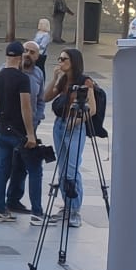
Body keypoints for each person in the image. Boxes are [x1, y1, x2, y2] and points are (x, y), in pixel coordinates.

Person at [41, 49, 96, 230]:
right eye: (60, 58)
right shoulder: (64, 80)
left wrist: (77, 121)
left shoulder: (85, 82)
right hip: (59, 125)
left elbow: (92, 109)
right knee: (63, 168)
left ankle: (75, 210)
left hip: (75, 127)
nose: (60, 61)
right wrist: (54, 78)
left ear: (74, 62)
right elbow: (45, 97)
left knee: (72, 170)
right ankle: (67, 205)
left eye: (64, 59)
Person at [0, 42, 35, 223]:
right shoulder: (22, 79)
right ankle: (36, 211)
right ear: (21, 58)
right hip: (17, 130)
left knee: (1, 168)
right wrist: (30, 133)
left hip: (1, 128)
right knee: (33, 169)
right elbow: (26, 107)